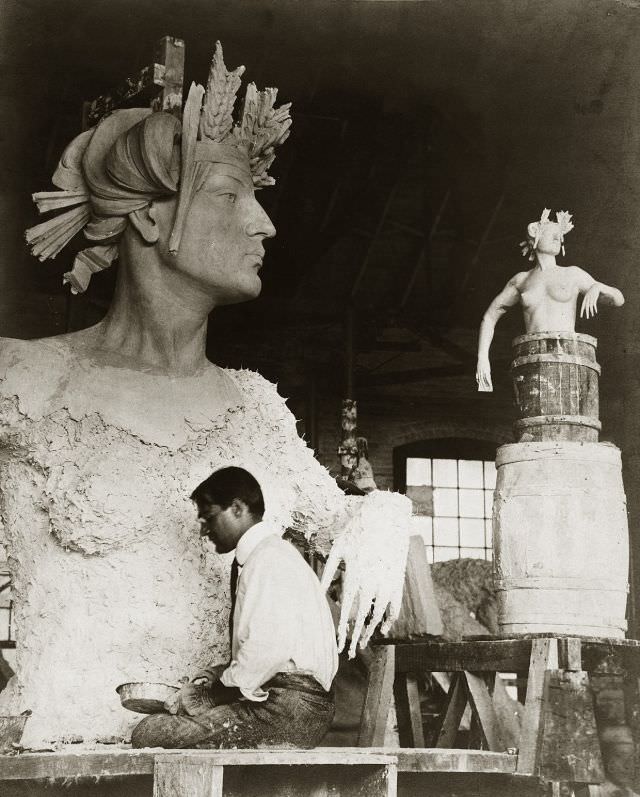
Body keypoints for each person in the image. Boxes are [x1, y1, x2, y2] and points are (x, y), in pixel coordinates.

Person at [0, 42, 411, 746]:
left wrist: (386, 518)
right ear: (152, 219)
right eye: (229, 194)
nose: (264, 222)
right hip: (63, 762)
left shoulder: (255, 407)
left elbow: (343, 516)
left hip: (223, 761)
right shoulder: (27, 380)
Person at [131, 467, 338, 749]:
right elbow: (272, 648)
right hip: (293, 706)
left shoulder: (268, 561)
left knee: (149, 732)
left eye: (209, 517)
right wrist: (218, 674)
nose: (204, 529)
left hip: (288, 710)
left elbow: (267, 651)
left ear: (238, 508)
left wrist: (209, 696)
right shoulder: (270, 556)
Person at [476, 208, 624, 391]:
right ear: (535, 238)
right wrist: (483, 359)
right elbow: (489, 317)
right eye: (552, 234)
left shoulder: (572, 273)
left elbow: (619, 299)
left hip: (567, 356)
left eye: (560, 236)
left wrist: (598, 287)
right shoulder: (521, 280)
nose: (558, 238)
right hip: (533, 360)